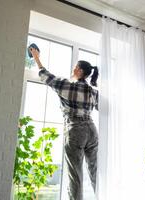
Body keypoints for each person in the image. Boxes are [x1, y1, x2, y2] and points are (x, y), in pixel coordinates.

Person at [30, 48, 99, 200]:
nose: (73, 69)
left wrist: (36, 58)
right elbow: (102, 108)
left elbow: (46, 76)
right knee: (95, 173)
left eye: (75, 67)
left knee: (75, 176)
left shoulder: (67, 85)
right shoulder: (93, 91)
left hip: (76, 131)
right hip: (92, 131)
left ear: (79, 71)